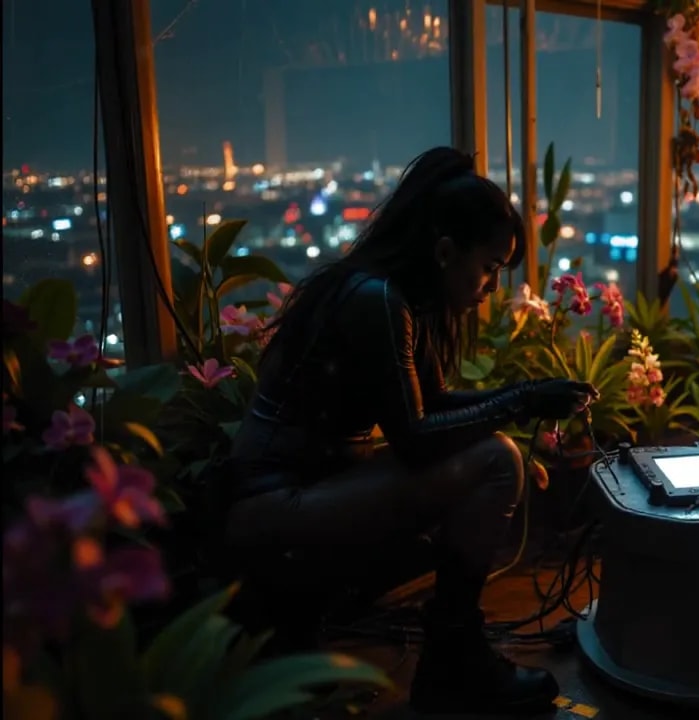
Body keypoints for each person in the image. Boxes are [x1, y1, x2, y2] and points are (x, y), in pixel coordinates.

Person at [221, 147, 598, 715]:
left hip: (299, 493)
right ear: (446, 252)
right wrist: (520, 400)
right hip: (275, 509)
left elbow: (432, 406)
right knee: (497, 461)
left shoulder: (392, 295)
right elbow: (417, 437)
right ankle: (454, 660)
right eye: (491, 267)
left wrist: (529, 394)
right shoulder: (377, 300)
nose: (492, 287)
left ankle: (453, 656)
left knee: (490, 453)